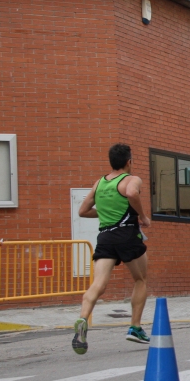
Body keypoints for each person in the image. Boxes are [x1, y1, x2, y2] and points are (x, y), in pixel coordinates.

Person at [73, 143, 151, 355]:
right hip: (126, 234)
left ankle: (82, 319)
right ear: (129, 162)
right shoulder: (131, 179)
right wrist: (142, 217)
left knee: (98, 284)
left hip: (105, 236)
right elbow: (132, 193)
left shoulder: (99, 183)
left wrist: (106, 212)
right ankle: (135, 328)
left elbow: (83, 211)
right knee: (140, 280)